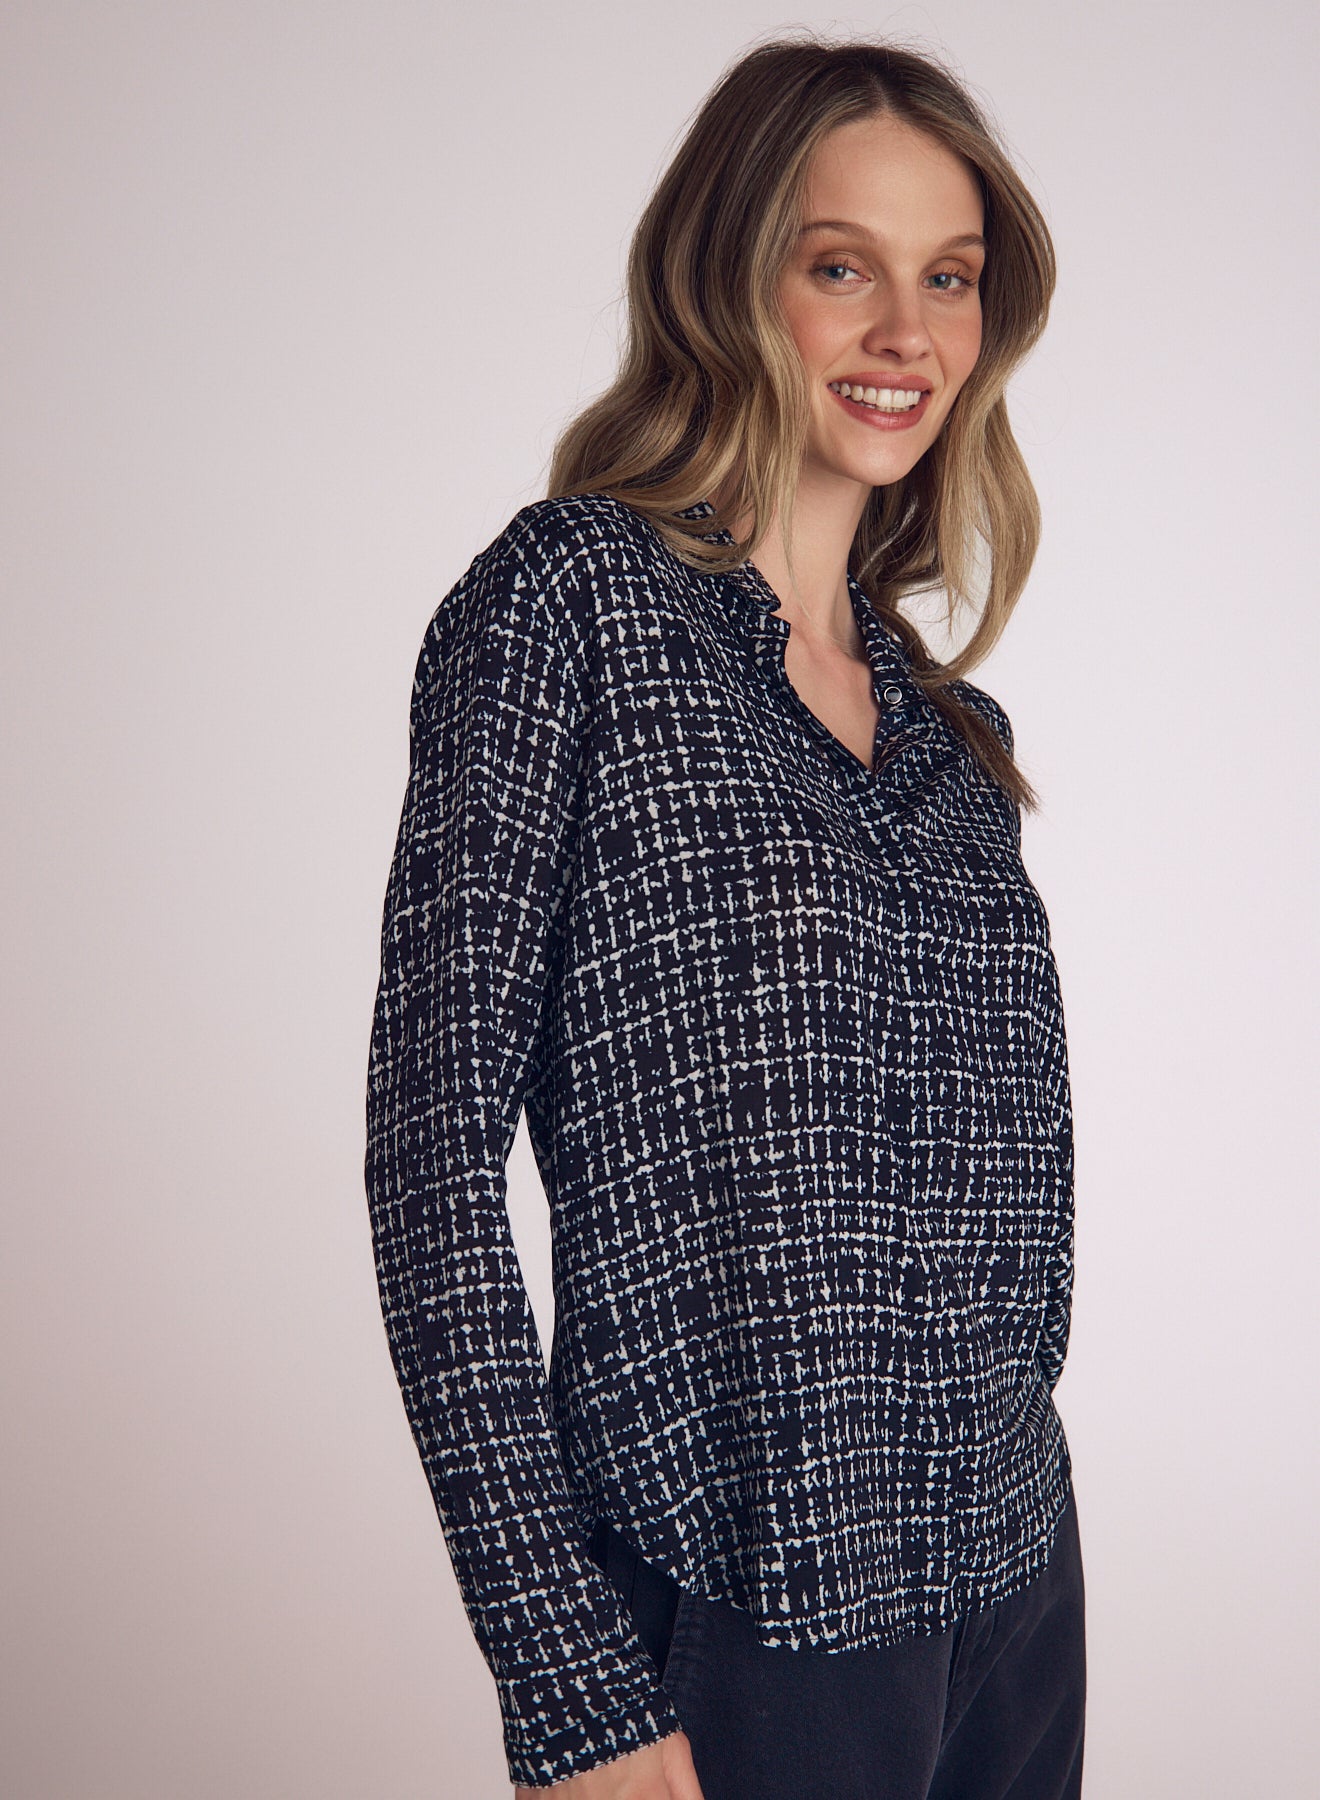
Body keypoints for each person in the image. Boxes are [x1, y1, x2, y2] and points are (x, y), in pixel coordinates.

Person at [365, 34, 1084, 1800]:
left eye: (949, 278)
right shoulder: (572, 608)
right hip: (742, 1606)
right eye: (842, 267)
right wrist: (571, 1682)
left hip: (1013, 1586)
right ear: (729, 277)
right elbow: (431, 1169)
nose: (905, 334)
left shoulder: (950, 730)